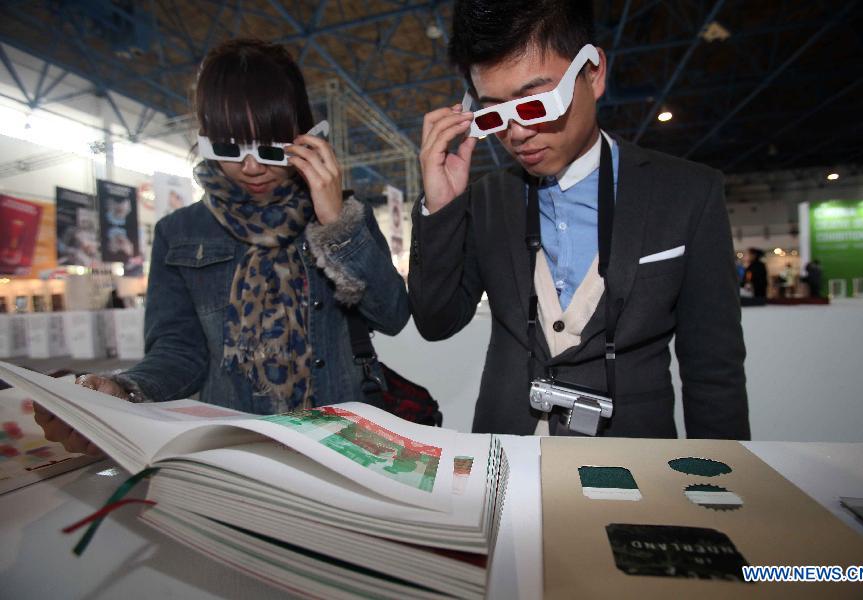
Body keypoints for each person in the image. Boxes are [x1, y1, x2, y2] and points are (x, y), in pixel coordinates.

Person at [36, 38, 409, 455]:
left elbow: (392, 316)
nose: (250, 167)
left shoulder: (345, 215)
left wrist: (335, 224)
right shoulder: (179, 233)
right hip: (233, 453)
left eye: (270, 149)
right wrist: (125, 388)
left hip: (340, 445)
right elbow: (179, 352)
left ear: (305, 138)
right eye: (228, 147)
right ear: (205, 137)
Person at [409, 0, 748, 439]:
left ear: (593, 74)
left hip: (632, 461)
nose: (517, 134)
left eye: (535, 105)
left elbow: (713, 369)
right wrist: (440, 210)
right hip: (505, 456)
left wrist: (718, 481)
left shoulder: (687, 193)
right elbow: (436, 321)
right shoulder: (486, 199)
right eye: (494, 114)